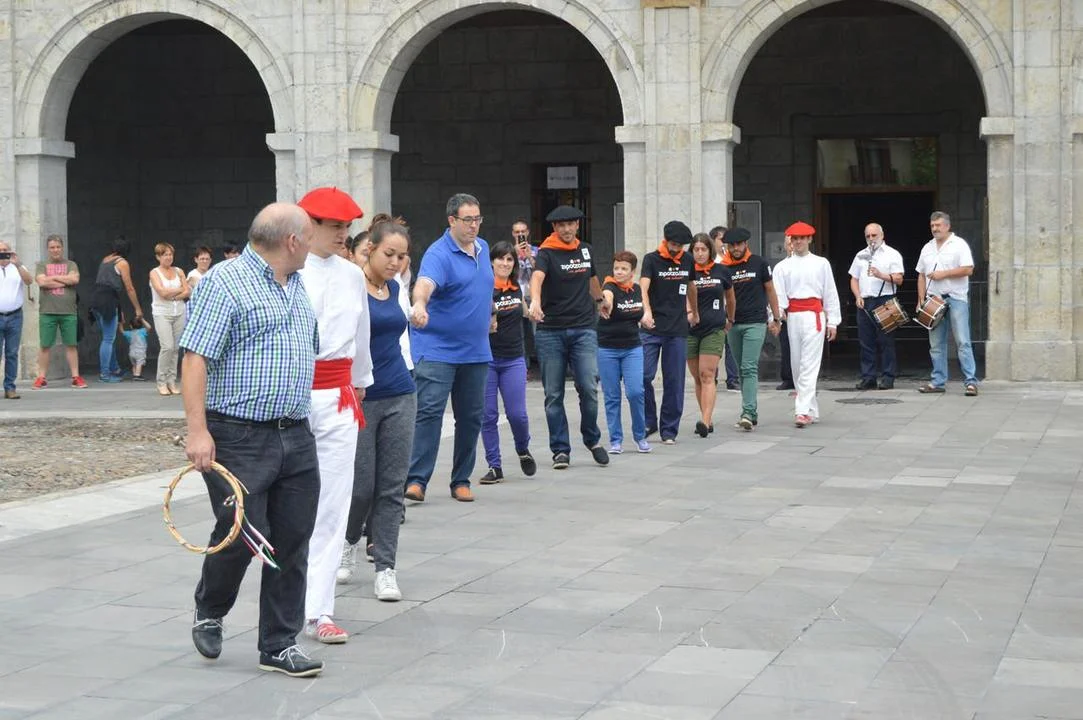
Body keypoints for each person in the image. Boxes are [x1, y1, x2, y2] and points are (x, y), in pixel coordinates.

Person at [180, 202, 323, 678]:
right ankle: (210, 609)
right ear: (292, 241)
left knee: (292, 539)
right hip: (238, 434)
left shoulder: (297, 283)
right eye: (309, 236)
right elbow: (195, 358)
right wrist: (197, 431)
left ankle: (279, 644)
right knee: (244, 532)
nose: (313, 245)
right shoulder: (225, 282)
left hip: (295, 432)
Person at [292, 187, 372, 643]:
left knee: (334, 503)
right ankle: (288, 600)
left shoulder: (352, 275)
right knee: (291, 503)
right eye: (335, 226)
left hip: (339, 396)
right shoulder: (289, 272)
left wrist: (360, 383)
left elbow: (361, 335)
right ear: (311, 226)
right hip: (295, 395)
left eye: (347, 227)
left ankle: (319, 609)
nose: (343, 234)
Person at [340, 221, 415, 597]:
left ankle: (386, 567)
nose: (395, 263)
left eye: (402, 257)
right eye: (389, 254)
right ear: (370, 249)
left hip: (401, 391)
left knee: (391, 487)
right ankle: (348, 540)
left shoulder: (395, 286)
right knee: (361, 486)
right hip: (362, 396)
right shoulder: (350, 285)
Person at [404, 193, 494, 503]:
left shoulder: (482, 249)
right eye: (468, 220)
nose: (474, 225)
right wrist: (419, 304)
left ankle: (461, 480)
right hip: (438, 350)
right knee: (429, 413)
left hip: (476, 351)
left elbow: (481, 290)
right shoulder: (439, 253)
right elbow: (425, 284)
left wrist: (490, 315)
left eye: (478, 219)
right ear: (452, 220)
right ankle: (416, 480)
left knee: (471, 417)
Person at [529, 205, 609, 470]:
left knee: (589, 387)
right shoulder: (546, 252)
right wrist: (535, 301)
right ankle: (560, 450)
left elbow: (592, 278)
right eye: (561, 225)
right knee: (554, 394)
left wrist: (601, 300)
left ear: (577, 225)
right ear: (554, 227)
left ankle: (592, 439)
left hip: (583, 328)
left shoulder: (585, 250)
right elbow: (537, 279)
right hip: (551, 331)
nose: (566, 229)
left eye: (570, 224)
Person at [772, 221, 841, 427]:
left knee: (808, 364)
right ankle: (811, 409)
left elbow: (830, 292)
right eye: (795, 238)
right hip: (793, 317)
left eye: (802, 238)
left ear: (810, 239)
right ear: (790, 241)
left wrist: (833, 321)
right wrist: (775, 318)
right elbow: (778, 297)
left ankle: (801, 410)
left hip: (814, 316)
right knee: (796, 364)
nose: (799, 242)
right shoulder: (782, 267)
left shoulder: (821, 263)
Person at [478, 241, 536, 484]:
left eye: (509, 259)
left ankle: (523, 449)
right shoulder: (482, 287)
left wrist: (535, 312)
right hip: (487, 360)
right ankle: (495, 465)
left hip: (513, 358)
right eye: (500, 258)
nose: (504, 263)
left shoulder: (516, 288)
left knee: (517, 414)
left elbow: (525, 311)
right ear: (491, 261)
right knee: (488, 415)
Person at [639, 221, 698, 444]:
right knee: (643, 376)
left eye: (680, 246)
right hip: (652, 328)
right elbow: (643, 288)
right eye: (673, 244)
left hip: (677, 328)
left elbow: (691, 286)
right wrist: (646, 312)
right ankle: (649, 421)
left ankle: (669, 429)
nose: (676, 249)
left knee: (674, 380)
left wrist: (694, 312)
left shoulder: (687, 259)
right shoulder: (651, 259)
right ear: (665, 240)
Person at [719, 227, 781, 430]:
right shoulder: (723, 268)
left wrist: (776, 318)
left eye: (739, 244)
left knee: (749, 367)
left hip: (755, 322)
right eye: (731, 245)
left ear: (746, 244)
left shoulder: (759, 263)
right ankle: (751, 413)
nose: (735, 248)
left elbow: (770, 290)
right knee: (741, 369)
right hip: (733, 323)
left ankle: (747, 411)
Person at [916, 211, 979, 396]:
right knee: (936, 344)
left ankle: (970, 381)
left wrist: (943, 274)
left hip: (956, 297)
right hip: (934, 299)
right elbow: (921, 275)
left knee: (963, 341)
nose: (935, 229)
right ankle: (938, 381)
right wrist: (921, 299)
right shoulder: (927, 247)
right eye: (932, 226)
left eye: (938, 225)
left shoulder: (959, 244)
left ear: (947, 226)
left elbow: (968, 269)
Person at [597, 251, 650, 454]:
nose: (619, 272)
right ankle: (616, 440)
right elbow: (607, 298)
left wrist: (645, 319)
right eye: (616, 268)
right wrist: (606, 304)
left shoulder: (636, 289)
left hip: (632, 348)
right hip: (607, 349)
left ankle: (640, 436)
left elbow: (639, 311)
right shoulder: (609, 286)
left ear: (632, 272)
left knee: (636, 392)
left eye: (623, 269)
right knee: (612, 396)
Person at [687, 233, 735, 437]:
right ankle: (706, 416)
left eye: (703, 249)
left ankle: (705, 422)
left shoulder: (721, 270)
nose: (700, 253)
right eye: (696, 250)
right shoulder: (686, 271)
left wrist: (730, 319)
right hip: (689, 330)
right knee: (698, 377)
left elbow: (730, 298)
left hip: (714, 328)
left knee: (707, 374)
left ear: (710, 251)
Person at [849, 223, 904, 390]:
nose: (871, 239)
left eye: (874, 235)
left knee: (886, 341)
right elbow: (854, 279)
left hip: (885, 300)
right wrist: (858, 296)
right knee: (866, 341)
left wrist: (881, 275)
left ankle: (888, 377)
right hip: (865, 301)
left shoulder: (892, 254)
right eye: (868, 236)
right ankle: (868, 377)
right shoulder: (860, 255)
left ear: (882, 235)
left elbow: (899, 279)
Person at [33, 235, 87, 389]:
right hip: (47, 311)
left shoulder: (71, 264)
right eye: (52, 247)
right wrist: (64, 280)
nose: (55, 250)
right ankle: (41, 377)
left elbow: (74, 280)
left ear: (62, 248)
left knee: (71, 344)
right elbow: (42, 282)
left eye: (58, 247)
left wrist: (52, 278)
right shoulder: (42, 265)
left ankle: (75, 377)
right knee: (45, 345)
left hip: (68, 311)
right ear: (48, 249)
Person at [90, 236, 144, 384]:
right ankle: (105, 374)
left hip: (96, 299)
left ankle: (115, 369)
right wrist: (137, 308)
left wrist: (118, 309)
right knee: (108, 339)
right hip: (108, 300)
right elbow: (129, 287)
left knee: (109, 337)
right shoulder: (122, 263)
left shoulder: (106, 259)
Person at [149, 242, 191, 396]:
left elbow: (187, 292)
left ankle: (171, 381)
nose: (168, 257)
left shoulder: (179, 271)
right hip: (162, 313)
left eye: (170, 254)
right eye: (165, 254)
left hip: (179, 311)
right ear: (158, 257)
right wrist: (179, 290)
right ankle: (161, 381)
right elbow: (162, 293)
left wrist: (173, 294)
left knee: (175, 348)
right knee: (167, 346)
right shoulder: (154, 273)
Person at [709, 226, 739, 392]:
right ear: (713, 240)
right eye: (721, 239)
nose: (725, 243)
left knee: (731, 344)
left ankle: (733, 378)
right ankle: (711, 377)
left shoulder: (732, 260)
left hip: (730, 305)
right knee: (714, 345)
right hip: (715, 307)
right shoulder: (712, 262)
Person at [0, 241, 32, 399]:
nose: (3, 253)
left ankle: (10, 387)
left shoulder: (18, 268)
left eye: (5, 250)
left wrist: (18, 263)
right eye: (0, 250)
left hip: (14, 316)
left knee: (12, 353)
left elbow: (29, 281)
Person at [513, 219, 537, 364]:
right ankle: (524, 364)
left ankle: (541, 362)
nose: (520, 234)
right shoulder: (510, 251)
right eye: (517, 232)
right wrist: (515, 254)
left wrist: (529, 256)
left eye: (523, 231)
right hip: (517, 293)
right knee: (519, 332)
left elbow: (540, 270)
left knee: (536, 330)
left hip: (533, 294)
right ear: (513, 234)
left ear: (527, 233)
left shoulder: (536, 251)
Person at [775, 235, 795, 391]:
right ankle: (788, 378)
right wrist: (778, 313)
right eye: (789, 244)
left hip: (805, 308)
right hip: (787, 309)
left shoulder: (813, 264)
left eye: (793, 243)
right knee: (786, 345)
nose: (792, 247)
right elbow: (776, 291)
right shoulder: (780, 267)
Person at [121, 315, 153, 380]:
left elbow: (122, 331)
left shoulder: (129, 333)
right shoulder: (142, 331)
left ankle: (134, 374)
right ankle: (137, 375)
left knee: (134, 364)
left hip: (131, 353)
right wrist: (142, 319)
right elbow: (149, 327)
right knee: (139, 363)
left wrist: (120, 323)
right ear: (141, 325)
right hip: (140, 352)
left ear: (130, 326)